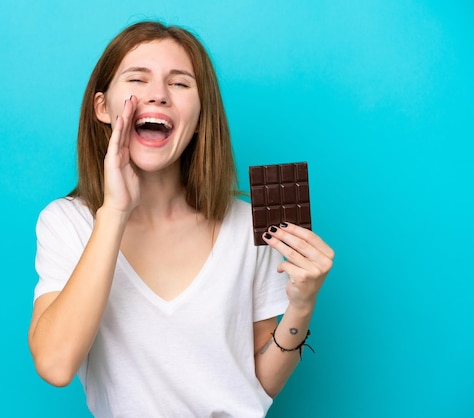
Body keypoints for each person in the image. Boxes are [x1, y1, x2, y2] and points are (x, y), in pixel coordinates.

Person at [28, 20, 334, 417]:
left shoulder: (247, 226)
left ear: (200, 110)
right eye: (137, 79)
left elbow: (259, 382)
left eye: (180, 83)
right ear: (103, 107)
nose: (157, 95)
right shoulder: (67, 223)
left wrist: (302, 304)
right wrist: (115, 212)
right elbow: (55, 364)